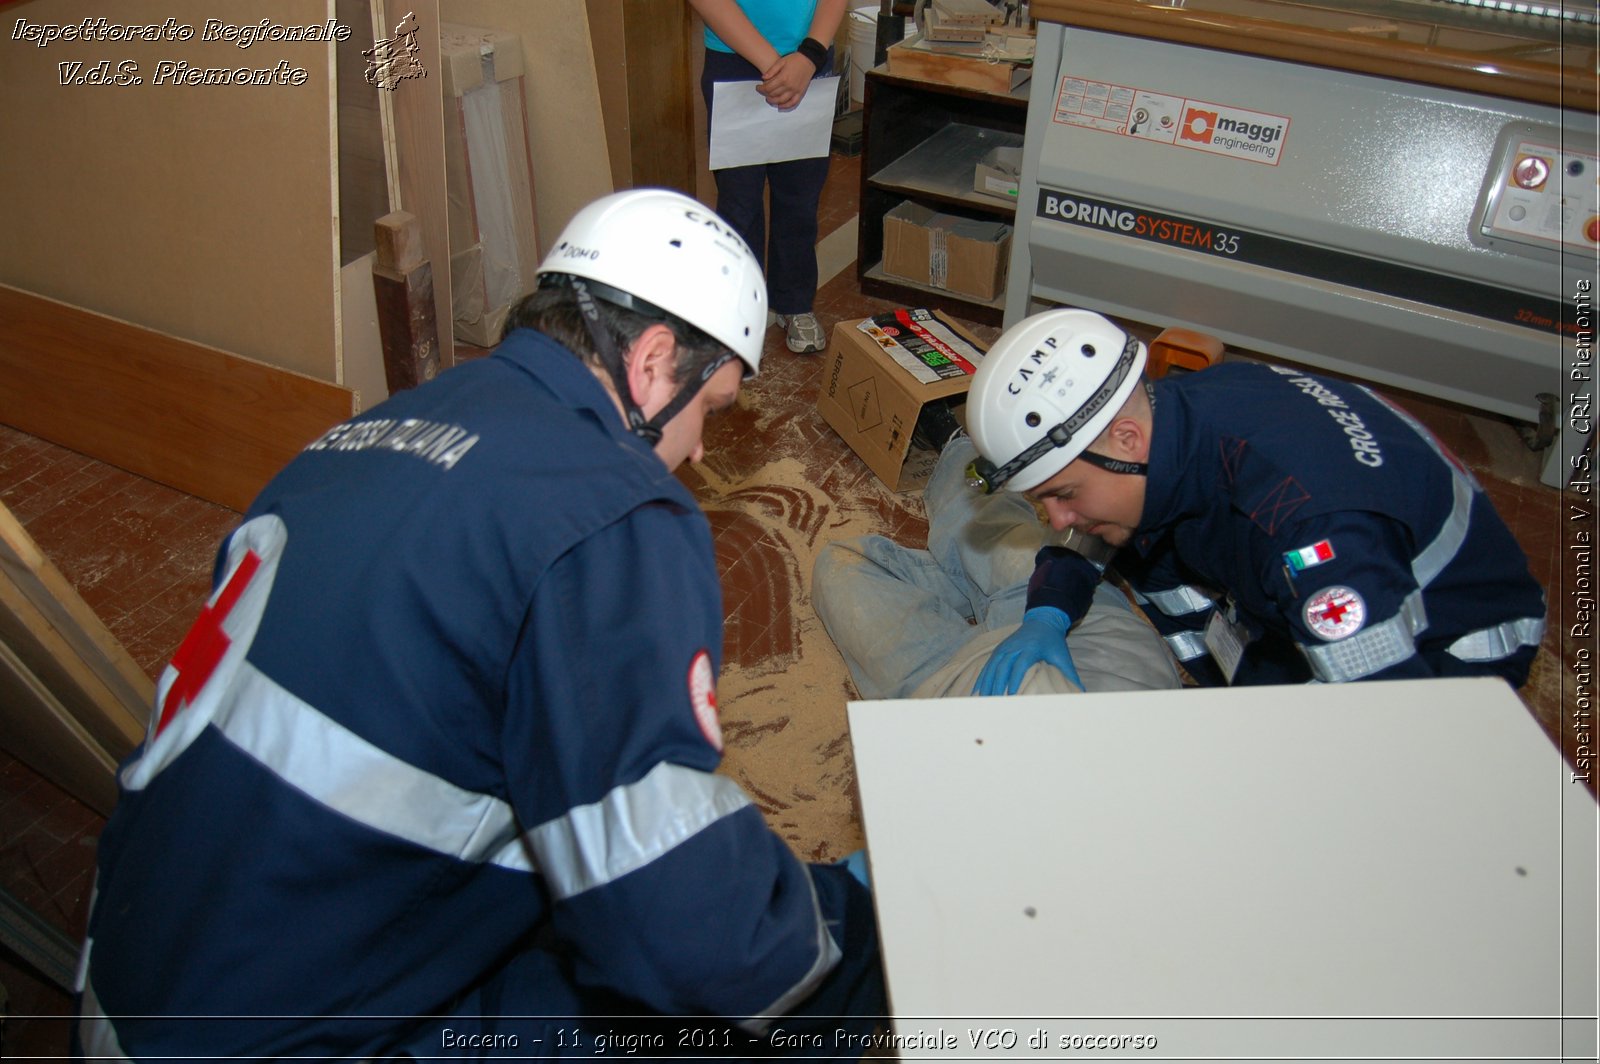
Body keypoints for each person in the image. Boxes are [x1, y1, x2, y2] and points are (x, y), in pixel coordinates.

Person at [73, 189, 884, 1061]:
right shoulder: (607, 512)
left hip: (136, 989)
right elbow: (688, 933)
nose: (695, 453)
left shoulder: (361, 436)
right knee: (726, 1018)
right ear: (652, 361)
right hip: (292, 1041)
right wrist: (870, 933)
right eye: (710, 411)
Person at [960, 307, 1548, 689]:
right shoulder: (1175, 414)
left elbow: (1384, 721)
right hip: (1321, 566)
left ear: (1126, 439)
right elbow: (1091, 516)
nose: (1058, 520)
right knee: (1129, 529)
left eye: (1062, 494)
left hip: (1445, 652)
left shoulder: (1315, 541)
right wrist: (1049, 606)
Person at [813, 424, 1183, 702]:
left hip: (953, 684)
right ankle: (961, 443)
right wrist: (1048, 614)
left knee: (841, 565)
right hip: (1091, 637)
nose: (1058, 518)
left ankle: (968, 578)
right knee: (989, 527)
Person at [691, 0, 847, 354]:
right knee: (739, 202)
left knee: (800, 198)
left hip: (810, 58)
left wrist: (809, 55)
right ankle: (740, 312)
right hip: (735, 58)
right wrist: (773, 66)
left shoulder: (809, 57)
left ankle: (794, 302)